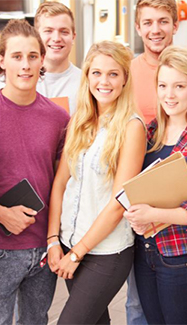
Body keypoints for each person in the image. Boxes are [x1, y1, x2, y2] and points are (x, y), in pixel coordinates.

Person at [0, 19, 70, 325]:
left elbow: (63, 182)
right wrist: (0, 213)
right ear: (1, 60)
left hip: (44, 246)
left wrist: (55, 239)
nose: (25, 65)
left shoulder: (58, 118)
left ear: (42, 60)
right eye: (17, 56)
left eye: (33, 56)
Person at [46, 40, 146, 324]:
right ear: (87, 75)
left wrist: (77, 254)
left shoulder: (132, 127)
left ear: (125, 78)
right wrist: (53, 239)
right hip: (68, 241)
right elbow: (61, 183)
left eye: (113, 73)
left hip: (106, 252)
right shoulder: (80, 120)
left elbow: (119, 203)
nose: (104, 81)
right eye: (97, 72)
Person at [124, 46, 187, 325]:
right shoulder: (151, 132)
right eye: (163, 85)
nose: (169, 94)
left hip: (180, 257)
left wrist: (153, 215)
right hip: (144, 252)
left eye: (179, 86)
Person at [131, 0, 187, 125]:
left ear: (175, 26)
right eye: (148, 23)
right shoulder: (126, 75)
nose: (155, 30)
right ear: (138, 28)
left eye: (163, 22)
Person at [34, 1, 82, 115]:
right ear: (36, 36)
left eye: (64, 32)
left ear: (73, 37)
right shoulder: (23, 81)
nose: (56, 38)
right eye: (48, 31)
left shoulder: (86, 83)